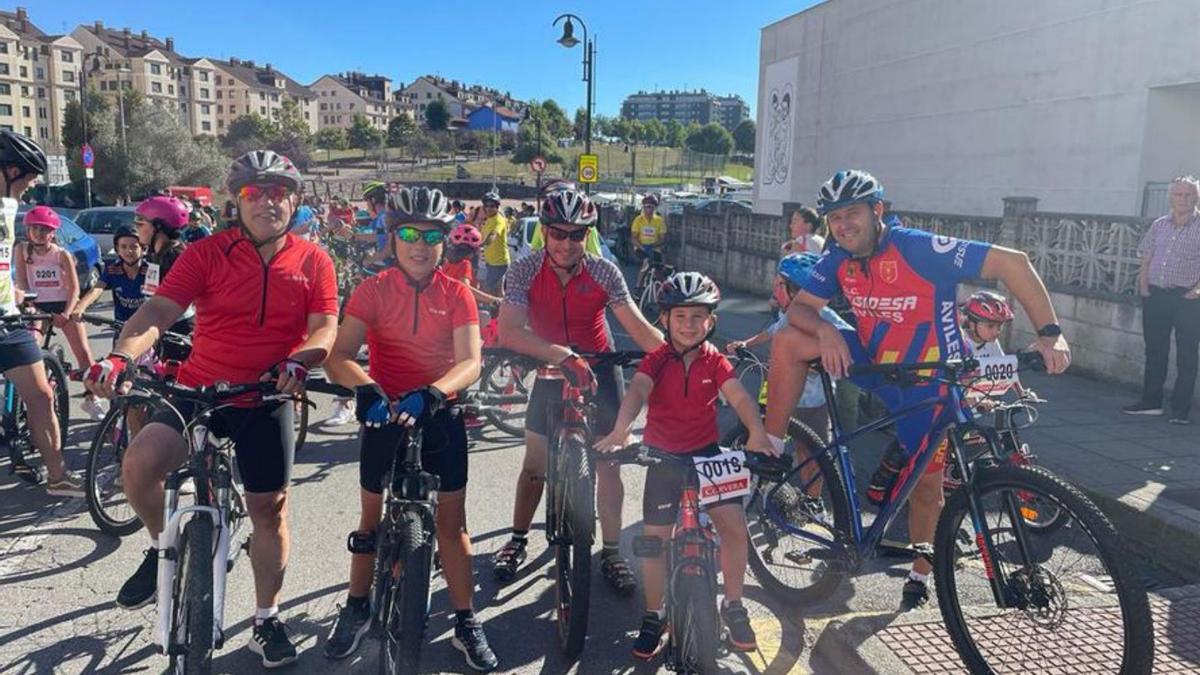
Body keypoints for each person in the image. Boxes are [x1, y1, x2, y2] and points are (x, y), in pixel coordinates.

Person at [762, 170, 1071, 612]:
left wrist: (1050, 333)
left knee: (927, 488)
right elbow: (801, 310)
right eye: (834, 217)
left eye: (852, 213)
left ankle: (919, 572)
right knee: (789, 338)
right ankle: (770, 448)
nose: (844, 224)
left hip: (929, 381)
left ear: (877, 211)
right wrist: (827, 332)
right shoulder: (836, 257)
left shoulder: (918, 247)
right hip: (872, 363)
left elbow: (1012, 262)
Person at [84, 150, 338, 668]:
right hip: (199, 389)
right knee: (138, 466)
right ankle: (162, 548)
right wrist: (120, 356)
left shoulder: (315, 261)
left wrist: (303, 357)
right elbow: (159, 311)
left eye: (278, 192)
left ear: (295, 200)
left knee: (270, 510)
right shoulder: (207, 253)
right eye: (254, 192)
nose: (268, 201)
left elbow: (326, 326)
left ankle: (266, 619)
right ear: (235, 201)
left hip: (264, 395)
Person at [321, 186, 498, 672]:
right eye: (409, 233)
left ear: (445, 241)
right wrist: (367, 388)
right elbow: (339, 356)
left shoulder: (457, 293)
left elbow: (471, 362)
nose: (420, 244)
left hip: (438, 412)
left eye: (432, 235)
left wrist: (435, 392)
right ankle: (357, 606)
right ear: (394, 237)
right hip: (385, 410)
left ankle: (465, 619)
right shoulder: (373, 290)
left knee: (452, 525)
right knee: (371, 520)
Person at [492, 186, 664, 595]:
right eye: (558, 233)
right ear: (545, 232)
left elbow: (640, 330)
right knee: (534, 465)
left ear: (587, 234)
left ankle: (611, 550)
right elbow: (510, 331)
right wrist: (562, 356)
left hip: (600, 371)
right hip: (551, 367)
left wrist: (686, 358)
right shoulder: (524, 269)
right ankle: (517, 538)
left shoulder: (604, 271)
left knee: (609, 465)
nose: (567, 243)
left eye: (577, 234)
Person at [594, 271, 775, 659]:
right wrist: (622, 430)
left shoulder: (715, 360)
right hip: (663, 457)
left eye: (698, 317)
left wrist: (756, 431)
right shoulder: (657, 359)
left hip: (707, 456)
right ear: (665, 320)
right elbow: (637, 391)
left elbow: (740, 398)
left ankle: (734, 605)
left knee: (733, 527)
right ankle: (653, 613)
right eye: (680, 317)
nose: (689, 325)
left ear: (711, 321)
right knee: (654, 541)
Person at [0, 130, 83, 496]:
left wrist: (13, 292)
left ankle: (58, 476)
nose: (30, 186)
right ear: (10, 169)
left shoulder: (8, 206)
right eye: (29, 178)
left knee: (41, 396)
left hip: (8, 318)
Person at [724, 252, 849, 440]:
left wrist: (808, 365)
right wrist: (746, 343)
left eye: (778, 284)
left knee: (812, 456)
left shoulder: (826, 318)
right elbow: (773, 331)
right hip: (785, 397)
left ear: (792, 289)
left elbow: (845, 354)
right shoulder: (791, 312)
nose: (774, 290)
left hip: (812, 403)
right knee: (768, 441)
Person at [12, 205, 105, 418]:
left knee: (82, 352)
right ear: (28, 231)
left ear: (53, 233)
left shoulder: (62, 254)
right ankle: (35, 392)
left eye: (45, 230)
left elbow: (74, 289)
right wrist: (29, 305)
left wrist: (66, 313)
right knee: (30, 348)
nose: (39, 234)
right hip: (39, 306)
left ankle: (92, 398)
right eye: (35, 229)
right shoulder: (23, 250)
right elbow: (22, 282)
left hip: (65, 304)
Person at [1124, 175, 1200, 424]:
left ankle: (1180, 411)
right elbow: (1146, 257)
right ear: (1170, 197)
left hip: (1188, 298)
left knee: (1187, 355)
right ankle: (1151, 403)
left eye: (1188, 194)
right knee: (1155, 351)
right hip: (1156, 295)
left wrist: (1196, 291)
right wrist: (1144, 287)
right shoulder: (1159, 225)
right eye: (1178, 194)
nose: (1183, 199)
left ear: (1196, 197)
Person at [72, 225, 147, 330]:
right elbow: (97, 289)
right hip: (121, 326)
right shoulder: (113, 269)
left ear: (142, 248)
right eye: (123, 247)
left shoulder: (150, 270)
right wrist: (80, 307)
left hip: (146, 326)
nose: (128, 251)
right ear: (117, 249)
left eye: (134, 247)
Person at [632, 194, 667, 289]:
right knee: (646, 262)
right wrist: (643, 247)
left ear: (655, 208)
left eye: (651, 207)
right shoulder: (638, 220)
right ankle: (638, 286)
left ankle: (661, 289)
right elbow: (634, 238)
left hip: (655, 248)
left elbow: (662, 238)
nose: (649, 210)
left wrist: (653, 245)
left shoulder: (659, 221)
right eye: (646, 207)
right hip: (641, 248)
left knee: (659, 269)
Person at [478, 191, 510, 295]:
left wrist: (481, 245)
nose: (488, 208)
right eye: (486, 205)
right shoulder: (488, 219)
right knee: (499, 291)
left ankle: (495, 309)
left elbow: (492, 235)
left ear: (497, 207)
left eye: (492, 206)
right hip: (491, 261)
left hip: (498, 262)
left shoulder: (498, 220)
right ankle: (502, 310)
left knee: (487, 289)